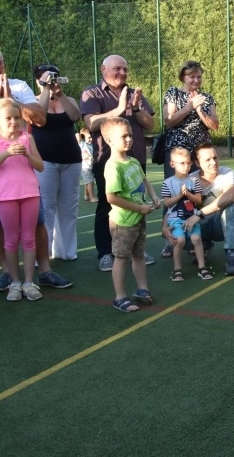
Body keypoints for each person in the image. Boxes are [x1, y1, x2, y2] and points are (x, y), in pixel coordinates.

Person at [0, 54, 74, 292]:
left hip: (22, 175)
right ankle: (6, 273)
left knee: (38, 222)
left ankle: (43, 271)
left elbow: (40, 119)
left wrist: (11, 100)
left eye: (0, 61)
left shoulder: (19, 86)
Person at [81, 54, 156, 271]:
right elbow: (91, 122)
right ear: (103, 69)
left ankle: (136, 249)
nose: (122, 73)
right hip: (107, 162)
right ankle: (106, 252)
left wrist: (136, 108)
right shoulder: (91, 92)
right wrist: (120, 108)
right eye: (117, 69)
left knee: (138, 203)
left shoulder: (134, 93)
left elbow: (150, 124)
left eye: (125, 69)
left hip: (135, 160)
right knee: (108, 206)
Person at [160, 60, 220, 257]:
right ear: (183, 78)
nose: (196, 80)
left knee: (198, 194)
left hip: (199, 153)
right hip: (177, 153)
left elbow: (214, 126)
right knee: (173, 192)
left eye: (199, 76)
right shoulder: (172, 93)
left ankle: (200, 239)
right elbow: (169, 122)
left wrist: (201, 110)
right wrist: (189, 107)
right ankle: (170, 240)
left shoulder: (207, 98)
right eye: (191, 76)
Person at [102, 118, 160, 313]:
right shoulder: (113, 166)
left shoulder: (133, 161)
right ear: (109, 140)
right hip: (123, 222)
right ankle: (119, 297)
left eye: (130, 135)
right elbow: (111, 197)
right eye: (123, 136)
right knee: (121, 258)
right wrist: (139, 209)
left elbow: (145, 180)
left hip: (137, 219)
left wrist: (153, 196)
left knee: (138, 255)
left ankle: (142, 289)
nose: (128, 139)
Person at [163, 143, 234, 276]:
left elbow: (231, 196)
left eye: (215, 157)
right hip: (197, 225)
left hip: (217, 224)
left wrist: (199, 214)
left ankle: (231, 254)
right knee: (179, 235)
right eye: (208, 159)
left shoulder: (227, 173)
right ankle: (204, 245)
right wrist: (164, 227)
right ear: (197, 163)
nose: (214, 162)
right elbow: (172, 207)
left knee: (231, 208)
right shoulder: (190, 180)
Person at [32, 64, 82, 261]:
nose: (51, 81)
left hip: (71, 159)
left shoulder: (67, 99)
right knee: (46, 207)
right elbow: (40, 118)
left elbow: (76, 117)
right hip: (45, 160)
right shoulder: (34, 102)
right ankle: (42, 255)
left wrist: (59, 94)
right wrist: (45, 90)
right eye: (45, 78)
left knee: (69, 207)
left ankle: (66, 252)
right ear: (38, 81)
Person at [0, 99, 44, 301]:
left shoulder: (27, 138)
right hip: (6, 197)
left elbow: (40, 166)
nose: (13, 122)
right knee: (10, 241)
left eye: (17, 118)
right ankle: (14, 282)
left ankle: (28, 282)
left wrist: (26, 153)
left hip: (30, 195)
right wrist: (7, 153)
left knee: (29, 239)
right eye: (8, 118)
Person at [161, 147, 212, 281]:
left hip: (191, 218)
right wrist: (179, 195)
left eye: (188, 163)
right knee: (180, 240)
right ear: (172, 164)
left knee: (196, 239)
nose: (186, 166)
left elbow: (198, 199)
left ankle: (202, 267)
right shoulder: (168, 183)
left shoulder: (194, 181)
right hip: (175, 219)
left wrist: (188, 194)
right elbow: (167, 203)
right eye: (182, 163)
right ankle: (177, 269)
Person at [79, 128, 98, 202]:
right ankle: (92, 197)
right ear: (83, 137)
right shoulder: (82, 144)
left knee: (88, 181)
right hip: (85, 167)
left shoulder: (92, 145)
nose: (91, 139)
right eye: (89, 137)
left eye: (91, 137)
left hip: (91, 166)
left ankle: (86, 195)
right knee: (90, 182)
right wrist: (82, 135)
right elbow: (77, 135)